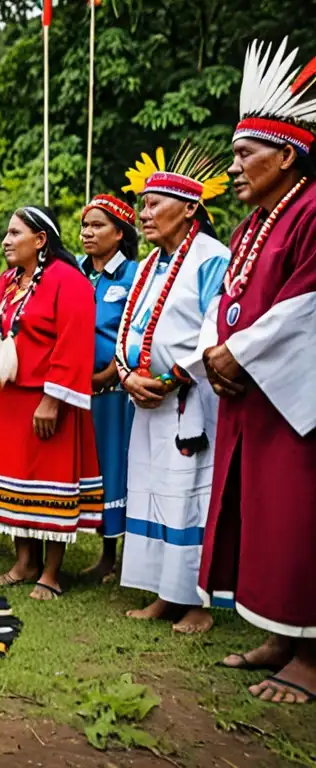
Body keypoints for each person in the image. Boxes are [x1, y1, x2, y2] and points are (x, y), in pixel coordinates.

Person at [196, 39, 316, 703]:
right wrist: (219, 347)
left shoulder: (311, 211)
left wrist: (236, 351)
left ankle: (311, 655)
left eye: (245, 154)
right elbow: (228, 300)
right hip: (253, 393)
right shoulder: (253, 223)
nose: (233, 166)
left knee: (300, 514)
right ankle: (279, 632)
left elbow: (308, 304)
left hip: (294, 395)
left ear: (288, 154)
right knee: (263, 511)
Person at [115, 142, 231, 633]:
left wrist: (171, 377)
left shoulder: (211, 257)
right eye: (142, 203)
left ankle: (198, 602)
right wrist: (127, 375)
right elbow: (127, 326)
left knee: (190, 494)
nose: (144, 213)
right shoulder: (147, 265)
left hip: (189, 400)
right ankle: (164, 594)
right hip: (147, 400)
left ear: (189, 209)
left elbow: (215, 327)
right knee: (151, 490)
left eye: (153, 203)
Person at [0, 207, 101, 599]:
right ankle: (25, 563)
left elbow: (74, 343)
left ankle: (52, 573)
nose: (5, 241)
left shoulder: (68, 281)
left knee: (49, 482)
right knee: (16, 482)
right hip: (6, 399)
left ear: (40, 240)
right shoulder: (8, 281)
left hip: (44, 400)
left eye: (14, 233)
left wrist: (53, 399)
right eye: (6, 234)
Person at [78, 195, 139, 581]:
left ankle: (117, 553)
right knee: (93, 467)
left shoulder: (133, 275)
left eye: (97, 226)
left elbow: (136, 330)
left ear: (119, 233)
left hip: (114, 389)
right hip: (76, 389)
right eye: (84, 226)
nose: (88, 233)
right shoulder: (77, 275)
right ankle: (102, 547)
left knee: (117, 466)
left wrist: (111, 373)